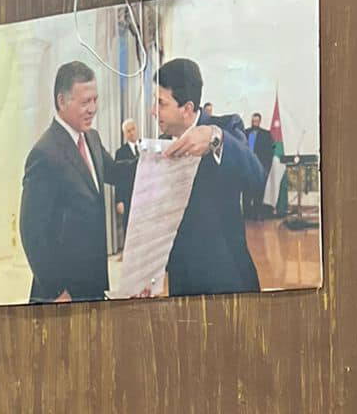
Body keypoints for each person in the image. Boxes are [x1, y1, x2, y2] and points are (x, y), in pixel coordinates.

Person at [19, 61, 128, 302]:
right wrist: (57, 291)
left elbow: (115, 172)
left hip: (93, 279)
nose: (93, 109)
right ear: (62, 101)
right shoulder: (44, 154)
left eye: (95, 100)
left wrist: (157, 160)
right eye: (85, 102)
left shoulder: (92, 138)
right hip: (63, 290)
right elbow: (32, 233)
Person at [157, 58, 265, 297]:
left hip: (227, 277)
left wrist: (216, 139)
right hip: (181, 281)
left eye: (161, 103)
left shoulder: (225, 127)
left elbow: (256, 177)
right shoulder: (161, 145)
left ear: (187, 108)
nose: (153, 111)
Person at [244, 113, 275, 218]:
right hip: (247, 166)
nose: (254, 123)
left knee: (259, 191)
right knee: (247, 191)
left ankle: (257, 213)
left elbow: (270, 153)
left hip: (260, 167)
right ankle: (247, 213)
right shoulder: (246, 133)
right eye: (253, 121)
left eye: (256, 121)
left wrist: (266, 168)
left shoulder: (266, 135)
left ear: (260, 122)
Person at [114, 117, 141, 229]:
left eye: (133, 129)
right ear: (125, 134)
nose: (132, 133)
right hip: (128, 196)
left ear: (137, 129)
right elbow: (118, 177)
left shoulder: (146, 146)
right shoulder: (120, 153)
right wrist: (119, 200)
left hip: (145, 196)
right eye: (128, 131)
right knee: (130, 228)